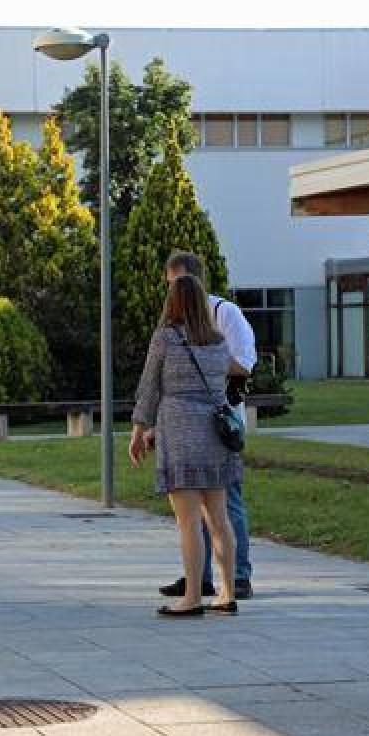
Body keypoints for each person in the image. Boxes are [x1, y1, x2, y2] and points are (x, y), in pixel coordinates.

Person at [130, 274, 243, 617]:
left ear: (173, 302)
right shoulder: (218, 342)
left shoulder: (166, 338)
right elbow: (227, 380)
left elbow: (149, 387)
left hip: (179, 431)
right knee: (219, 519)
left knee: (189, 521)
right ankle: (227, 592)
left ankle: (192, 597)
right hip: (214, 432)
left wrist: (139, 430)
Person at [156, 252, 258, 601]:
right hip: (186, 426)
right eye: (170, 285)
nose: (173, 292)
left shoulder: (224, 314)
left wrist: (199, 359)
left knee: (225, 504)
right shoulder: (173, 330)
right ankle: (198, 578)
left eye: (179, 284)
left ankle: (238, 577)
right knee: (192, 508)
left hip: (218, 421)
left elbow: (244, 363)